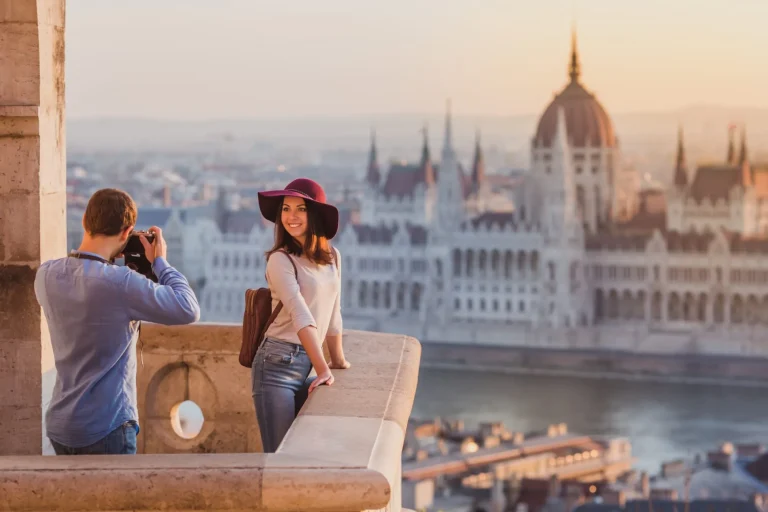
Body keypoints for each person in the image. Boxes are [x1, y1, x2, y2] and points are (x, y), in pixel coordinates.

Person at [35, 188, 200, 455]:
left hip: (61, 424)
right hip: (106, 425)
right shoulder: (120, 283)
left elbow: (87, 290)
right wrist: (160, 263)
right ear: (127, 233)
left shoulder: (46, 275)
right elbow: (188, 308)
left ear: (84, 221)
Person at [253, 177, 351, 452]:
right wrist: (322, 369)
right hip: (275, 366)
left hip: (306, 360)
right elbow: (300, 313)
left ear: (315, 214)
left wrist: (338, 359)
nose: (291, 217)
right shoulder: (280, 259)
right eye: (285, 209)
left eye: (301, 209)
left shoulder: (333, 256)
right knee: (280, 454)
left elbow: (333, 312)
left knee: (303, 452)